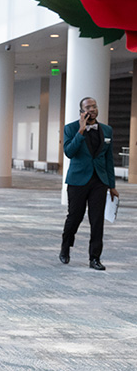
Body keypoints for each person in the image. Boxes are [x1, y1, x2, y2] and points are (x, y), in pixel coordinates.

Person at [60, 96, 118, 270]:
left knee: (97, 220)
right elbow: (69, 152)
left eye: (94, 106)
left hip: (99, 181)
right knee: (75, 217)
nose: (92, 109)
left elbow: (109, 159)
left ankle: (95, 258)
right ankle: (65, 247)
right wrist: (81, 131)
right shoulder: (71, 128)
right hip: (78, 181)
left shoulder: (107, 130)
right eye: (88, 107)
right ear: (81, 111)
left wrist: (112, 185)